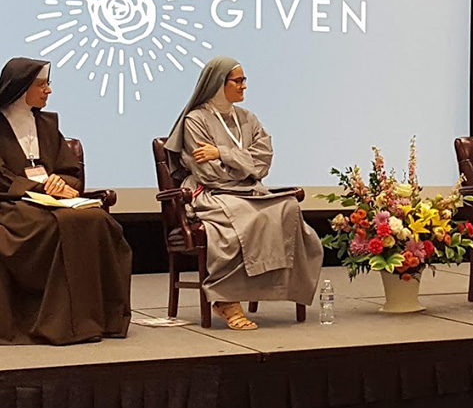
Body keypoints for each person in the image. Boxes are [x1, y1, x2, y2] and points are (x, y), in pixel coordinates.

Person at [164, 56, 323, 330]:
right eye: (237, 81)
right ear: (217, 83)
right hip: (213, 193)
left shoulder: (248, 118)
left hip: (249, 190)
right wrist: (242, 165)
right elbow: (209, 173)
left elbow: (263, 162)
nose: (243, 87)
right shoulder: (196, 120)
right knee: (243, 215)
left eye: (244, 80)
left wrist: (223, 153)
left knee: (288, 208)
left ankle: (276, 288)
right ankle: (226, 299)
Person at [0, 57, 132, 345]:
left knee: (98, 220)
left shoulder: (47, 124)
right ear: (22, 88)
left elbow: (69, 170)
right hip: (11, 203)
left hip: (52, 201)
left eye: (48, 84)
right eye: (42, 85)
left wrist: (61, 183)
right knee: (47, 225)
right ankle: (59, 322)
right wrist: (40, 186)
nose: (48, 91)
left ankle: (99, 319)